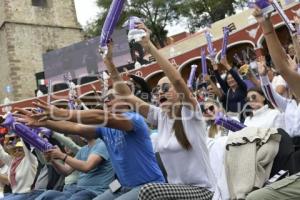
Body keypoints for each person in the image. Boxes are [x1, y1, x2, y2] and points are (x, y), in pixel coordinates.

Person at [101, 24, 216, 199]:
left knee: (148, 190)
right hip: (177, 191)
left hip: (203, 191)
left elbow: (177, 80)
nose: (159, 92)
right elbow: (125, 94)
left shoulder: (190, 113)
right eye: (156, 90)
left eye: (164, 87)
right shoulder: (160, 116)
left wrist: (149, 47)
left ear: (179, 93)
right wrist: (108, 61)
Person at [15, 91, 165, 200]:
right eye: (104, 99)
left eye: (111, 98)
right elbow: (75, 128)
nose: (106, 101)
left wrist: (60, 112)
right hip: (121, 186)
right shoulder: (104, 129)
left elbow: (100, 116)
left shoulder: (134, 119)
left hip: (148, 186)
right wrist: (45, 122)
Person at [35, 138, 114, 200]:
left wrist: (62, 155)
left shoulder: (102, 144)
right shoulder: (83, 149)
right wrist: (52, 160)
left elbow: (87, 167)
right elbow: (66, 171)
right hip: (76, 189)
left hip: (93, 191)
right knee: (48, 195)